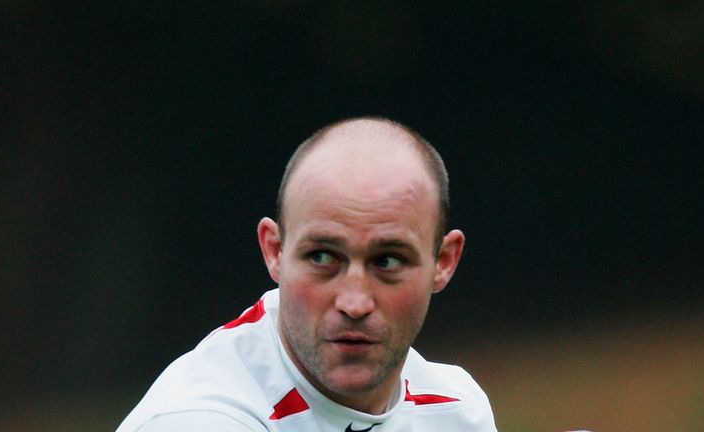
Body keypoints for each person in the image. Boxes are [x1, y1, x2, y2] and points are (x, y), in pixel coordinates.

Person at [116, 117, 498, 431]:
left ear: (444, 262)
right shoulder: (197, 420)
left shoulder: (457, 411)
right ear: (274, 251)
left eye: (387, 262)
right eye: (321, 257)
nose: (354, 303)